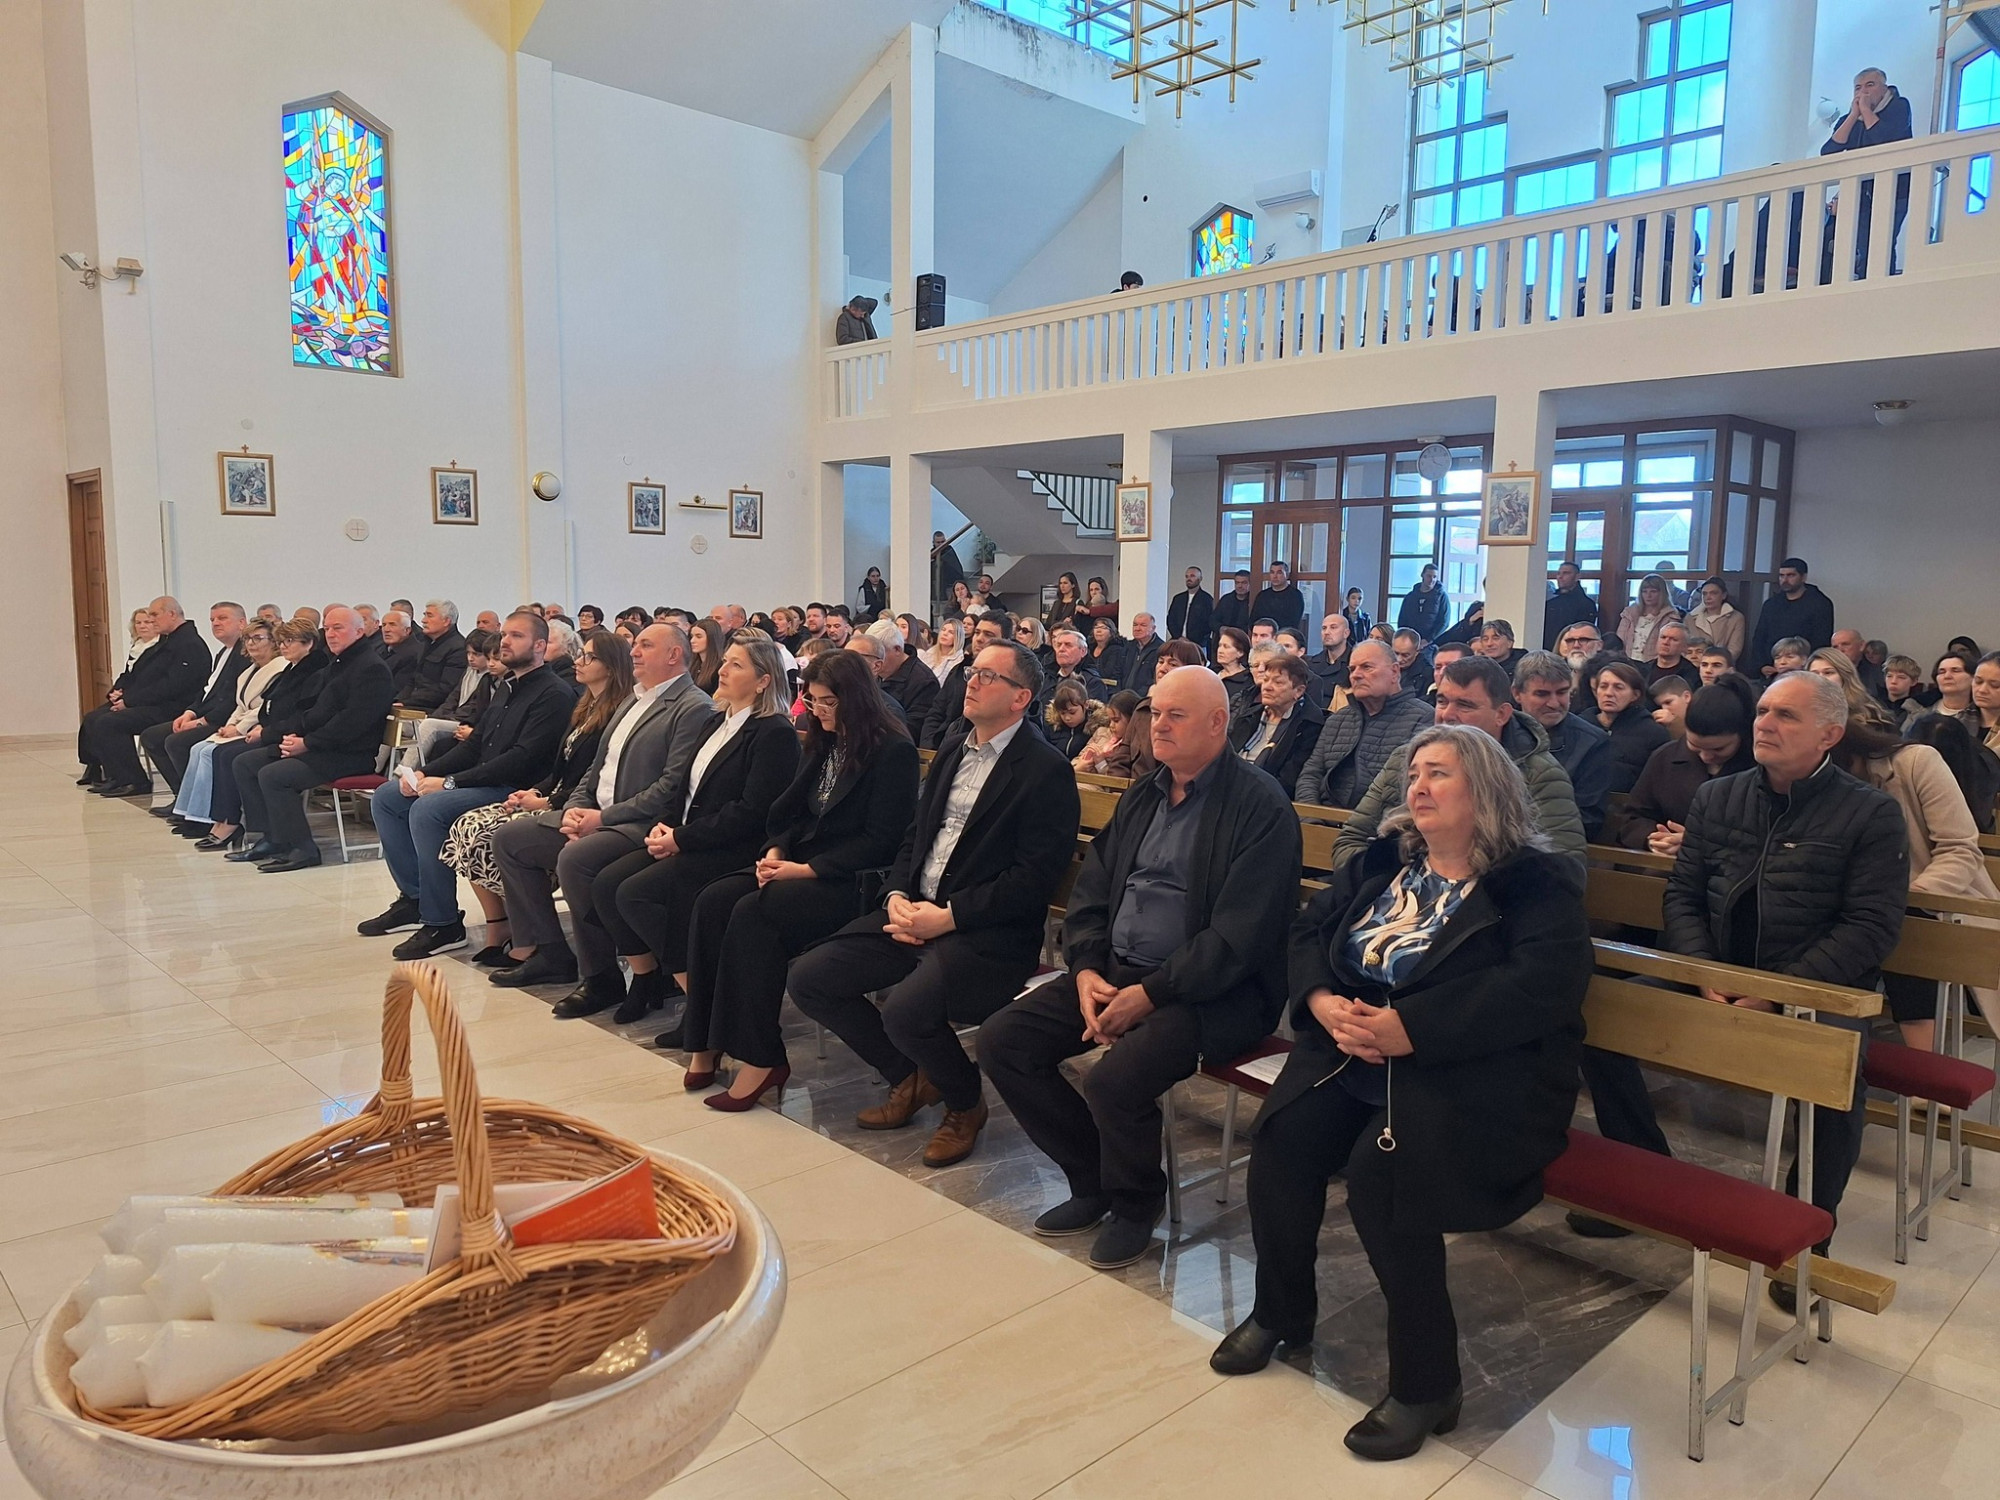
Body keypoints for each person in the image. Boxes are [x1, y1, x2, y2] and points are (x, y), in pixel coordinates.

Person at [1213, 725, 1589, 1460]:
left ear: (1485, 789)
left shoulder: (1535, 883)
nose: (1417, 786)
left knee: (1383, 1178)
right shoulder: (1385, 861)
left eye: (1438, 773)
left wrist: (1412, 1028)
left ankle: (1427, 1382)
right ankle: (1282, 1312)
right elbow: (1308, 933)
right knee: (1285, 1140)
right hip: (1354, 1051)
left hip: (1475, 1073)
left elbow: (1538, 991)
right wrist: (1321, 1000)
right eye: (1414, 773)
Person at [980, 668, 1303, 1269]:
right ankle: (1092, 1181)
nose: (1159, 725)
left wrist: (1150, 993)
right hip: (1117, 971)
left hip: (1215, 994)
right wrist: (1084, 970)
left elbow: (1240, 935)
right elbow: (1093, 893)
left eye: (1176, 715)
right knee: (1005, 1041)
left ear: (1217, 723)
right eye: (1155, 713)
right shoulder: (1144, 795)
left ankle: (1135, 1204)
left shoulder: (1260, 806)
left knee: (1115, 1080)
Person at [1662, 672, 1907, 1295]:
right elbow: (1683, 894)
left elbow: (1870, 928)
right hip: (1717, 974)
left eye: (1786, 716)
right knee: (1592, 1023)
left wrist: (1778, 990)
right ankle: (1646, 1173)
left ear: (1829, 734)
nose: (1764, 724)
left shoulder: (1871, 813)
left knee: (1837, 1083)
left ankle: (1806, 1232)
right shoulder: (1718, 797)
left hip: (1816, 987)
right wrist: (1702, 970)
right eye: (1763, 711)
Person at [789, 642, 1079, 1165]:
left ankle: (964, 1103)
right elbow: (915, 836)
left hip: (985, 933)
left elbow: (1031, 880)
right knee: (812, 977)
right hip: (916, 909)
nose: (972, 682)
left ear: (1021, 698)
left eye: (987, 676)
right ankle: (911, 1076)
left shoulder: (1044, 769)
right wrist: (897, 894)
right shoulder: (953, 748)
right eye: (972, 671)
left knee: (906, 1009)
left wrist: (948, 917)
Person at [683, 649, 920, 1110]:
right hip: (801, 866)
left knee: (754, 913)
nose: (818, 710)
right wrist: (777, 850)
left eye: (828, 702)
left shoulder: (893, 750)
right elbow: (788, 812)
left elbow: (882, 841)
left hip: (850, 882)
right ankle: (707, 1039)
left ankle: (762, 1057)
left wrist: (805, 870)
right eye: (811, 700)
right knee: (713, 900)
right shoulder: (825, 740)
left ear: (855, 699)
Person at [574, 635, 803, 1047]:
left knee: (637, 893)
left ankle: (702, 1003)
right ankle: (648, 978)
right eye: (725, 662)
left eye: (736, 665)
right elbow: (684, 788)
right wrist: (664, 827)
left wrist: (681, 838)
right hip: (691, 835)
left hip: (732, 847)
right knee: (606, 885)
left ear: (763, 681)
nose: (722, 670)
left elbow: (751, 811)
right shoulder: (716, 721)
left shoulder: (773, 733)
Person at [487, 623, 719, 1011]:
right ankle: (551, 952)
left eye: (645, 645)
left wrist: (602, 818)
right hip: (597, 815)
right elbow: (596, 769)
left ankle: (601, 977)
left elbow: (671, 786)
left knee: (575, 859)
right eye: (635, 645)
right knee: (509, 840)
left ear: (674, 655)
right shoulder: (631, 700)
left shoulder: (691, 706)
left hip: (640, 824)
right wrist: (573, 810)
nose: (634, 652)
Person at [353, 610, 573, 944]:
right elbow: (474, 746)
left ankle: (442, 921)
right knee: (388, 796)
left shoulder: (554, 694)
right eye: (505, 635)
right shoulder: (506, 687)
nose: (505, 642)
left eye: (516, 636)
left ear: (540, 645)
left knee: (429, 809)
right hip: (486, 780)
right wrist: (425, 772)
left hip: (515, 788)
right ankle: (414, 898)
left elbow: (521, 759)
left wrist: (450, 783)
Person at [445, 630, 631, 966]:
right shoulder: (585, 705)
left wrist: (547, 802)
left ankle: (530, 939)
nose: (578, 661)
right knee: (465, 825)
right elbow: (560, 768)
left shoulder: (618, 711)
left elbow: (592, 778)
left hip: (579, 806)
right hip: (558, 796)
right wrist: (535, 790)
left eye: (589, 657)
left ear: (611, 666)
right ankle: (503, 926)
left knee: (490, 834)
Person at [1833, 713, 2000, 1049]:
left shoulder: (1915, 762)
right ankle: (1833, 1050)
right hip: (1858, 903)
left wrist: (1913, 894)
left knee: (1900, 924)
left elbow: (1960, 850)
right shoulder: (1808, 780)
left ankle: (1922, 1061)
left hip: (1933, 900)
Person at [1334, 656, 1587, 872]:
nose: (1447, 715)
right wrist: (1399, 880)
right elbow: (1350, 840)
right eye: (1442, 701)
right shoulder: (1406, 759)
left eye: (1465, 705)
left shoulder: (1540, 774)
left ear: (1501, 714)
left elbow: (1565, 872)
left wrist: (1456, 884)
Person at [229, 606, 396, 872]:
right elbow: (314, 713)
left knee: (274, 775)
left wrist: (306, 744)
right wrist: (289, 736)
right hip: (324, 747)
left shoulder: (371, 668)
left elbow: (351, 724)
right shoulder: (338, 664)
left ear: (359, 631)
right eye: (327, 628)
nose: (330, 634)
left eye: (338, 628)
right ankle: (273, 838)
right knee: (246, 763)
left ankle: (303, 849)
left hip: (350, 754)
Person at [196, 621, 326, 851]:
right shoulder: (293, 667)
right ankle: (233, 822)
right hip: (276, 731)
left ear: (308, 644)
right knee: (224, 754)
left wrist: (264, 732)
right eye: (282, 641)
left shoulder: (313, 671)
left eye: (289, 641)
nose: (284, 646)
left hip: (293, 737)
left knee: (238, 759)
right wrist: (254, 727)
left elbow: (300, 715)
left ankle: (258, 830)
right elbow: (269, 706)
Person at [80, 598, 223, 795]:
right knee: (94, 718)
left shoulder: (188, 644)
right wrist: (123, 694)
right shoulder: (168, 640)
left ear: (171, 614)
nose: (151, 619)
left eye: (155, 615)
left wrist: (130, 701)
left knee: (109, 722)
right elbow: (141, 674)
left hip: (174, 707)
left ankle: (134, 780)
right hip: (155, 702)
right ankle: (115, 776)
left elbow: (173, 685)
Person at [1609, 675, 1759, 853]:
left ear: (1742, 735)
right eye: (1695, 746)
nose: (1706, 756)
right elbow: (1633, 816)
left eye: (1718, 749)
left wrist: (1698, 841)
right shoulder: (1665, 757)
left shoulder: (1760, 767)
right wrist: (1655, 838)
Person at [166, 621, 288, 836]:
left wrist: (239, 729)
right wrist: (230, 724)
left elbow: (263, 708)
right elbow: (239, 705)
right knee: (199, 749)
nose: (251, 643)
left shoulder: (279, 668)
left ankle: (219, 818)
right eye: (248, 639)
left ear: (274, 642)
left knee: (213, 753)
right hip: (240, 724)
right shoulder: (248, 671)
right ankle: (195, 814)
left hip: (258, 727)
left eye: (258, 638)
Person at [137, 603, 251, 807]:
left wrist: (201, 721)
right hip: (206, 713)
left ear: (242, 623)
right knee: (152, 736)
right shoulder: (223, 653)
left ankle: (198, 803)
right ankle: (182, 796)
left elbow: (232, 699)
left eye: (222, 618)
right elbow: (207, 690)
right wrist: (189, 712)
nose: (216, 623)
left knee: (176, 742)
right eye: (212, 619)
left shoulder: (245, 655)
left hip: (225, 719)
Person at [1297, 641, 1431, 810]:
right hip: (1322, 818)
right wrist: (1312, 818)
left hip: (1381, 823)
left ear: (1395, 672)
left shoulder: (1423, 718)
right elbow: (1310, 774)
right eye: (1352, 669)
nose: (1356, 675)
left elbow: (1407, 788)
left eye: (1366, 667)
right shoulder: (1337, 720)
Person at [1820, 68, 1913, 279]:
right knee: (1863, 243)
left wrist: (1866, 111)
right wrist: (1854, 115)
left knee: (1884, 240)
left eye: (1870, 85)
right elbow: (1828, 152)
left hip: (1895, 190)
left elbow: (1883, 138)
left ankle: (1882, 283)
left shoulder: (1899, 106)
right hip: (1861, 193)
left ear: (1884, 88)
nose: (1863, 92)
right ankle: (1865, 281)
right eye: (1858, 88)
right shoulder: (1850, 119)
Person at [1512, 652, 1614, 843]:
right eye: (1542, 694)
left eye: (1561, 692)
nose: (1553, 703)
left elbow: (1587, 820)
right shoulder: (1497, 733)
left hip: (1555, 846)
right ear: (1517, 693)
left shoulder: (1592, 743)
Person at [1230, 651, 1324, 798]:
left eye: (1278, 682)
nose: (1267, 687)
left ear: (1298, 691)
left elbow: (1287, 782)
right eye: (1266, 679)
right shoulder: (1249, 714)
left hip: (1263, 798)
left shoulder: (1309, 726)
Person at [921, 612, 1012, 750]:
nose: (979, 639)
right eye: (977, 632)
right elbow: (937, 712)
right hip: (946, 746)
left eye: (989, 635)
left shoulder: (1007, 679)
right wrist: (929, 748)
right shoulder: (959, 671)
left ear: (1005, 641)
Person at [1593, 659, 1672, 794]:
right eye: (1603, 686)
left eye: (1618, 687)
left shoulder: (1653, 733)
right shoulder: (1581, 726)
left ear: (1635, 695)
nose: (1609, 693)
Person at [1746, 557, 1835, 677]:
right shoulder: (1771, 604)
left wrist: (1808, 666)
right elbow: (1760, 637)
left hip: (1804, 669)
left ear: (1803, 577)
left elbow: (1821, 640)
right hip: (1771, 667)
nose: (1785, 580)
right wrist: (1762, 665)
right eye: (1781, 576)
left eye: (1790, 575)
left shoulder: (1820, 604)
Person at [397, 600, 468, 714]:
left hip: (433, 710)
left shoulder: (458, 648)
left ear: (446, 621)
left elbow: (446, 689)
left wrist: (408, 702)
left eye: (429, 616)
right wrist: (400, 700)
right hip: (414, 703)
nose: (423, 620)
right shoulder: (426, 643)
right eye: (424, 615)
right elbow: (414, 679)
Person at [868, 619, 939, 726]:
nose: (872, 661)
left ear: (897, 649)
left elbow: (911, 728)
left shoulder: (924, 682)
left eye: (879, 654)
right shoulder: (876, 673)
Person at [1615, 574, 1680, 663]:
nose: (1648, 595)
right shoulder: (1629, 614)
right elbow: (1619, 639)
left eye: (1653, 591)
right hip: (1627, 661)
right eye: (1644, 591)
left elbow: (1670, 645)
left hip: (1654, 663)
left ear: (1662, 593)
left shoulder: (1670, 616)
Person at [1680, 578, 1745, 662]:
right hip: (1692, 664)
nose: (1708, 597)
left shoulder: (1735, 617)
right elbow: (1683, 645)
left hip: (1721, 665)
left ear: (1724, 595)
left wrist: (1715, 662)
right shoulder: (1690, 618)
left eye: (1713, 593)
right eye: (1704, 594)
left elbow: (1734, 649)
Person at [1541, 561, 1598, 650]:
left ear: (1577, 577)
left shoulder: (1586, 604)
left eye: (1566, 573)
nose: (1560, 577)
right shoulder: (1550, 602)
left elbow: (1584, 633)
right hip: (1547, 649)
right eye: (1558, 573)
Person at [1830, 628, 1888, 706]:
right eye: (1835, 647)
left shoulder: (1880, 674)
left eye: (1845, 644)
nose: (1840, 650)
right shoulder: (1827, 672)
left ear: (1862, 645)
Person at [1049, 627, 1107, 703]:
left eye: (1068, 645)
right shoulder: (1047, 676)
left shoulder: (1093, 683)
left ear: (1083, 651)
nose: (1061, 649)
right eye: (1058, 645)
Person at [1044, 680, 1098, 761]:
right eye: (1062, 713)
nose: (1067, 718)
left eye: (1072, 712)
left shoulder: (1097, 729)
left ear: (1086, 705)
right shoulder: (1051, 725)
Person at [1397, 563, 1451, 643]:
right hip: (1410, 641)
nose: (1432, 580)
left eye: (1434, 577)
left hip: (1431, 643)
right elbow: (1402, 619)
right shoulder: (1410, 596)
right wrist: (1403, 637)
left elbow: (1444, 622)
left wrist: (1429, 640)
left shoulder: (1442, 597)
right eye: (1429, 576)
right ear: (1422, 575)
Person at [1641, 621, 1699, 693]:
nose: (1665, 642)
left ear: (1685, 646)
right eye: (1663, 637)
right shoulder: (1644, 669)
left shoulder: (1691, 674)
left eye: (1673, 639)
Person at [378, 610, 423, 700]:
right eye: (384, 625)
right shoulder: (380, 649)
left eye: (392, 625)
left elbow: (397, 688)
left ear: (407, 630)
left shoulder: (414, 654)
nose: (386, 629)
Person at [1250, 561, 1305, 634]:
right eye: (1272, 572)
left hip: (1284, 636)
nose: (1275, 576)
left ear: (1287, 575)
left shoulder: (1295, 595)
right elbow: (1253, 620)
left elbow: (1293, 622)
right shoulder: (1262, 596)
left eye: (1279, 573)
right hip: (1263, 635)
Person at [1165, 565, 1214, 649]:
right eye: (1187, 576)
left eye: (1192, 576)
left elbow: (1208, 624)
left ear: (1200, 579)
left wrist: (1193, 641)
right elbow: (1171, 620)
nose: (1189, 579)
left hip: (1198, 644)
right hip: (1178, 641)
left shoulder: (1206, 599)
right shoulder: (1178, 599)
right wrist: (1178, 637)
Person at [1211, 569, 1254, 652]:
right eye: (1237, 583)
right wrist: (1220, 628)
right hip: (1224, 641)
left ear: (1250, 584)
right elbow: (1213, 620)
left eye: (1244, 583)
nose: (1240, 586)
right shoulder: (1226, 599)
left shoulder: (1253, 601)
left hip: (1244, 642)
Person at [1085, 616, 1130, 690]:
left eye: (1103, 628)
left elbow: (1107, 673)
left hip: (1109, 689)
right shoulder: (1089, 648)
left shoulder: (1116, 650)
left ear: (1111, 632)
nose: (1098, 630)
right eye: (1096, 627)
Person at [1883, 653, 1927, 728]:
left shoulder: (1918, 712)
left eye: (1901, 677)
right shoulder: (1874, 705)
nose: (1893, 681)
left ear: (1913, 681)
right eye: (1889, 676)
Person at [1125, 613, 1162, 691]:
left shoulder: (1161, 649)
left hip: (1146, 696)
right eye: (1135, 625)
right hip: (1123, 695)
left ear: (1153, 628)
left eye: (1143, 625)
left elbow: (1155, 679)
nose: (1137, 629)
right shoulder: (1127, 647)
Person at [923, 618, 965, 682]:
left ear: (958, 637)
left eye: (951, 632)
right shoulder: (929, 653)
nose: (945, 633)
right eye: (943, 630)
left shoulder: (959, 661)